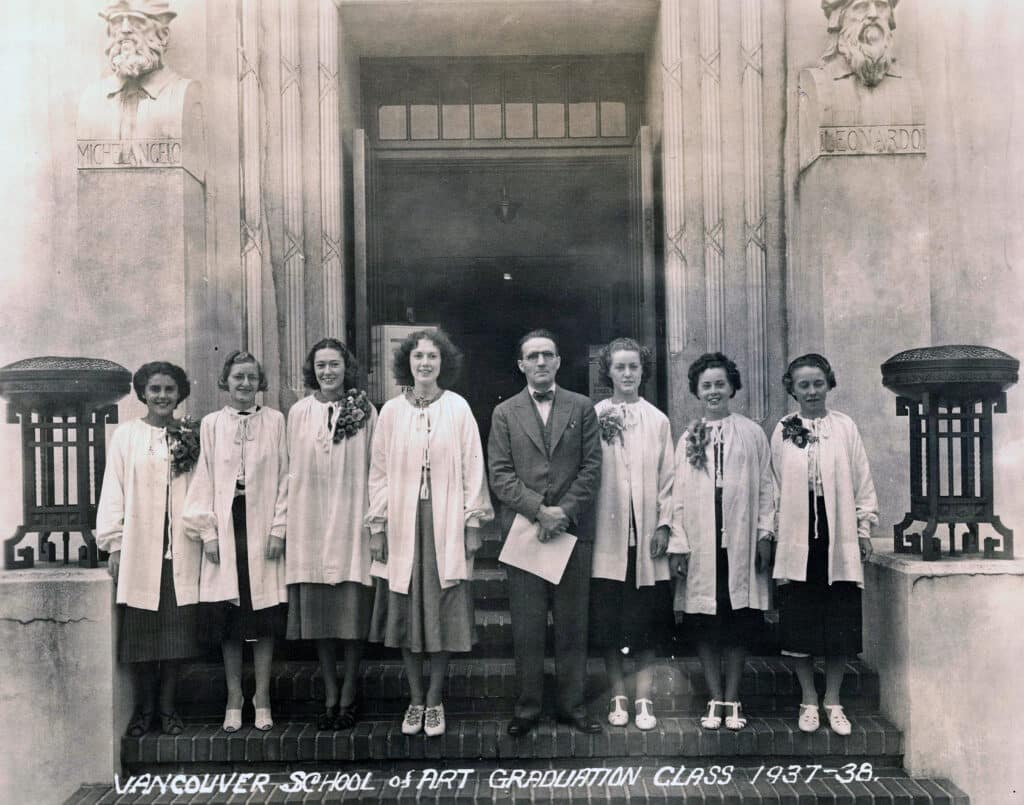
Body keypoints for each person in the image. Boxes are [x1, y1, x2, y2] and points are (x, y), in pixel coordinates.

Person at [367, 329, 494, 738]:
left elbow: (473, 466)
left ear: (443, 363)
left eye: (432, 357)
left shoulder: (457, 407)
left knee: (441, 611)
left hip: (445, 523)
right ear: (408, 361)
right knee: (406, 611)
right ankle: (415, 698)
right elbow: (379, 473)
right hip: (404, 523)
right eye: (418, 356)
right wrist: (378, 525)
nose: (424, 363)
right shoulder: (390, 411)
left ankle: (435, 700)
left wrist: (472, 523)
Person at [488, 329, 603, 737]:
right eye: (532, 356)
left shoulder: (582, 407)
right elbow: (500, 475)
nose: (540, 362)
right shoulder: (505, 413)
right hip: (524, 532)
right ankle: (528, 707)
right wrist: (539, 511)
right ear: (520, 364)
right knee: (528, 625)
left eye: (547, 355)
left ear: (557, 361)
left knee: (573, 624)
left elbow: (591, 468)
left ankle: (573, 706)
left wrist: (563, 512)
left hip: (571, 532)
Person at [771, 353, 878, 736]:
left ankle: (833, 699)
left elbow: (862, 481)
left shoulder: (845, 427)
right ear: (793, 389)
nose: (812, 391)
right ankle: (808, 699)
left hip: (839, 535)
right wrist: (771, 533)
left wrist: (864, 529)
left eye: (818, 383)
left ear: (829, 384)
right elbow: (774, 486)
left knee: (839, 618)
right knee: (800, 616)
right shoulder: (784, 428)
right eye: (804, 384)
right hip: (799, 535)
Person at [668, 353, 775, 732]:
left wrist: (765, 532)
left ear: (732, 387)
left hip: (740, 541)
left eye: (720, 384)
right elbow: (676, 494)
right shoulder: (688, 437)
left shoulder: (751, 433)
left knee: (736, 620)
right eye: (706, 385)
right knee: (706, 622)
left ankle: (734, 698)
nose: (713, 391)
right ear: (697, 391)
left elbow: (766, 487)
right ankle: (715, 698)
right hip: (701, 542)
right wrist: (678, 542)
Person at [96, 361, 203, 737]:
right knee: (141, 632)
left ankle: (168, 708)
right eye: (155, 389)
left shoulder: (189, 434)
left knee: (175, 632)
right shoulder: (127, 436)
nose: (162, 396)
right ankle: (143, 710)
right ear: (143, 393)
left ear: (179, 394)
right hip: (141, 546)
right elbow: (114, 490)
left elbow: (200, 490)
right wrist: (115, 545)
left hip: (180, 548)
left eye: (169, 390)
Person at [183, 351, 288, 732]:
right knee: (228, 617)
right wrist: (208, 533)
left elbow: (286, 477)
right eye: (237, 377)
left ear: (260, 383)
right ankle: (233, 696)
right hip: (227, 527)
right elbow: (204, 478)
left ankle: (262, 696)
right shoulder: (212, 424)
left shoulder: (275, 421)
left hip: (261, 527)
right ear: (225, 381)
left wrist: (279, 528)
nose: (244, 384)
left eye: (251, 378)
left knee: (261, 615)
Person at [285, 338, 377, 731]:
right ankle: (329, 693)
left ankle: (351, 693)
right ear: (312, 369)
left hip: (351, 519)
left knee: (350, 616)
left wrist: (375, 521)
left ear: (346, 368)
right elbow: (291, 469)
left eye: (334, 365)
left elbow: (376, 466)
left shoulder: (365, 411)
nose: (327, 372)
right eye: (320, 365)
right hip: (310, 522)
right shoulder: (299, 412)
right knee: (321, 619)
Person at [589, 338, 674, 730]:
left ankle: (643, 698)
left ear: (643, 371)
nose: (627, 373)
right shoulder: (595, 415)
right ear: (607, 370)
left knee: (645, 623)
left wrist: (663, 524)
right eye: (619, 367)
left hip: (646, 541)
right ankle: (617, 696)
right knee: (609, 622)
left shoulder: (657, 420)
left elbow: (668, 479)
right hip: (607, 539)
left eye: (633, 367)